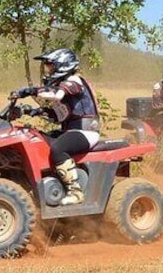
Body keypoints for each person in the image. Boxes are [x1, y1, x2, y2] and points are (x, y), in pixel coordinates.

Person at [12, 48, 100, 206]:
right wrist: (34, 111)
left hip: (86, 132)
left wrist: (30, 91)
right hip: (71, 130)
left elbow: (56, 94)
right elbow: (60, 115)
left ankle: (75, 191)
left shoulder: (75, 81)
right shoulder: (65, 85)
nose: (49, 70)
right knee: (39, 141)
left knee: (58, 149)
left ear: (63, 66)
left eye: (51, 66)